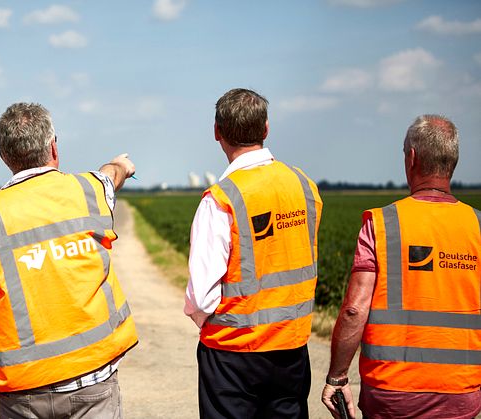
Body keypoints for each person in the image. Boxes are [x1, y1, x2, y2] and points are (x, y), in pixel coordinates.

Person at [0, 102, 139, 419]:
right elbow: (112, 176)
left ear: (4, 156)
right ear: (53, 147)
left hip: (24, 389)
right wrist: (120, 164)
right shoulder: (89, 191)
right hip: (92, 379)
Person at [321, 115, 481, 419]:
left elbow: (355, 309)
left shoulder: (382, 224)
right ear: (453, 162)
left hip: (391, 391)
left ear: (412, 158)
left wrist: (337, 376)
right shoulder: (478, 226)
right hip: (461, 391)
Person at [184, 88, 322, 418]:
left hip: (233, 354)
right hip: (292, 347)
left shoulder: (220, 199)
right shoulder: (303, 186)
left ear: (217, 132)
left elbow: (201, 298)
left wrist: (211, 326)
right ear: (266, 128)